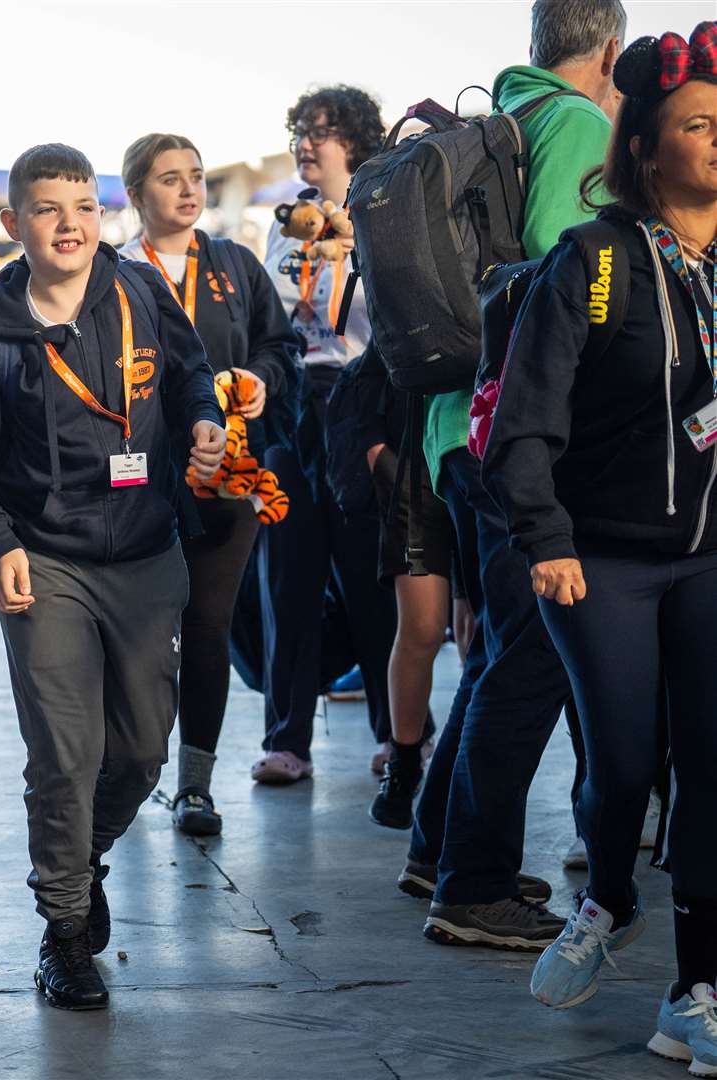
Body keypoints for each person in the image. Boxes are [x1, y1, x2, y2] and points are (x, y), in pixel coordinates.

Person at [0, 144, 225, 1010]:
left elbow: (190, 375)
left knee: (138, 751)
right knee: (66, 755)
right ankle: (62, 932)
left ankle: (78, 859)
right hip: (43, 563)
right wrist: (0, 541)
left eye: (84, 207)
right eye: (48, 209)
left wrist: (202, 422)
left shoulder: (139, 293)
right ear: (14, 224)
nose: (70, 225)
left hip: (146, 553)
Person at [484, 27, 716, 1066]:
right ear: (647, 149)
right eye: (699, 126)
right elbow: (523, 421)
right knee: (625, 766)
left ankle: (696, 987)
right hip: (602, 561)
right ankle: (610, 898)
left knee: (712, 770)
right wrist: (545, 535)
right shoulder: (594, 260)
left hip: (713, 559)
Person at [410, 0, 624, 953]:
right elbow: (566, 273)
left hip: (457, 426)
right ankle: (475, 884)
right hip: (516, 432)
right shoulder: (575, 123)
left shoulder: (507, 118)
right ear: (610, 48)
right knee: (533, 657)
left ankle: (438, 847)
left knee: (500, 652)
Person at [116, 133, 299, 835]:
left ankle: (195, 785)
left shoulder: (234, 264)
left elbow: (278, 348)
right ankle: (126, 771)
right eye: (169, 179)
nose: (189, 190)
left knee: (208, 627)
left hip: (228, 476)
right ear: (136, 194)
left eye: (195, 176)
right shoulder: (114, 272)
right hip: (142, 481)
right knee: (136, 634)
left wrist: (259, 380)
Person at [253, 85, 396, 784]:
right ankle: (288, 740)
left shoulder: (381, 213)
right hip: (291, 403)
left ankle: (400, 730)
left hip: (358, 398)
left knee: (373, 575)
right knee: (289, 575)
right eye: (300, 132)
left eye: (321, 132)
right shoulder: (282, 225)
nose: (306, 145)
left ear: (356, 141)